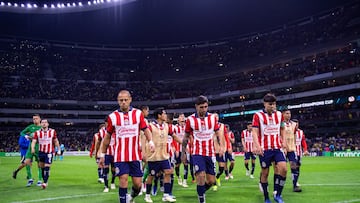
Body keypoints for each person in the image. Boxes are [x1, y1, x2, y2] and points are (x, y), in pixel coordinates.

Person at [99, 90, 155, 203]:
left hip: (135, 155)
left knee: (138, 184)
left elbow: (145, 129)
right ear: (118, 101)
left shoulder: (138, 114)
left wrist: (151, 141)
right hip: (120, 155)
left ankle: (131, 198)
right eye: (121, 100)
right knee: (123, 180)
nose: (123, 102)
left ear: (130, 100)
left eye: (125, 100)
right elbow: (107, 137)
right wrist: (102, 154)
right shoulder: (113, 117)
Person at [181, 95, 224, 203]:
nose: (204, 109)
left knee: (211, 181)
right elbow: (186, 137)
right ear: (196, 107)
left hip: (210, 153)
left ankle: (200, 192)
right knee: (200, 175)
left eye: (205, 107)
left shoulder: (212, 118)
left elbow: (218, 133)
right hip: (197, 152)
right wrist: (183, 153)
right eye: (201, 107)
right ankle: (202, 200)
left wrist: (222, 146)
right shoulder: (190, 120)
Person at [252, 93, 287, 203]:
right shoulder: (257, 116)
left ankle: (278, 195)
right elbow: (254, 132)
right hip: (264, 149)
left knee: (283, 169)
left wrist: (284, 142)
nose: (272, 106)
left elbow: (282, 129)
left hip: (277, 147)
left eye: (274, 104)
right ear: (265, 104)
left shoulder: (279, 115)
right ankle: (267, 198)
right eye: (270, 104)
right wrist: (257, 146)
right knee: (265, 173)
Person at [143, 108, 182, 203]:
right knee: (151, 176)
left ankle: (166, 195)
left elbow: (173, 136)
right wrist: (143, 152)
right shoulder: (151, 126)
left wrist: (183, 143)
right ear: (159, 115)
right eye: (164, 113)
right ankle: (147, 195)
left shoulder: (166, 126)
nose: (166, 115)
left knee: (168, 171)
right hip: (153, 156)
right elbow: (145, 138)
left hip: (164, 155)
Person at [31, 119, 61, 189]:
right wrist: (32, 148)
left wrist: (58, 149)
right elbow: (34, 141)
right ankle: (45, 180)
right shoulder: (37, 132)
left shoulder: (52, 131)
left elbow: (56, 141)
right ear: (41, 124)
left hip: (49, 152)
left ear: (48, 124)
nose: (44, 124)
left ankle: (45, 182)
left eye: (45, 122)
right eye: (42, 122)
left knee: (47, 167)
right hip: (41, 152)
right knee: (42, 168)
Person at [17, 114, 43, 187]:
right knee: (27, 162)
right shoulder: (31, 127)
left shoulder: (42, 127)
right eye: (33, 119)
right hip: (30, 146)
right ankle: (30, 179)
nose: (35, 120)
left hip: (39, 147)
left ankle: (40, 180)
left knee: (39, 164)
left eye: (36, 118)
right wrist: (26, 136)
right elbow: (22, 132)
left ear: (40, 119)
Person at [282, 108, 301, 192]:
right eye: (286, 113)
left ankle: (295, 185)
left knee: (294, 166)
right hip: (282, 149)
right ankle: (279, 187)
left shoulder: (293, 124)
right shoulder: (280, 124)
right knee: (282, 169)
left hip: (292, 149)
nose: (288, 115)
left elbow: (294, 135)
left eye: (289, 113)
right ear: (283, 114)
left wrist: (295, 147)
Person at [96, 121, 117, 192]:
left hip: (114, 154)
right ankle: (106, 186)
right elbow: (98, 142)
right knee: (106, 170)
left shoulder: (116, 130)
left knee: (114, 170)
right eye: (108, 123)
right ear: (105, 123)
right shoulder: (102, 131)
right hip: (106, 154)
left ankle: (113, 182)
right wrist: (97, 152)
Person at [173, 113, 189, 187]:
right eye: (181, 117)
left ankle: (185, 181)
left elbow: (189, 137)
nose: (182, 118)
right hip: (178, 149)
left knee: (185, 163)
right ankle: (179, 177)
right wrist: (175, 149)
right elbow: (174, 139)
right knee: (177, 165)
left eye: (183, 117)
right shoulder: (175, 128)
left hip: (185, 149)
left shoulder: (187, 127)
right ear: (178, 120)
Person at [293, 119, 309, 191]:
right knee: (293, 169)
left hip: (299, 153)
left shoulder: (301, 132)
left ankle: (295, 182)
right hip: (291, 152)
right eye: (295, 124)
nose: (296, 125)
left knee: (297, 169)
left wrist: (305, 150)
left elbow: (303, 142)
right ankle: (294, 184)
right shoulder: (288, 131)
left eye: (297, 124)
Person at [212, 113, 227, 191]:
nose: (216, 118)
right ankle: (214, 184)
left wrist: (224, 148)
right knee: (213, 168)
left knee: (221, 167)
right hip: (212, 150)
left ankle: (217, 177)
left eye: (217, 116)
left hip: (220, 149)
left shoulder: (222, 126)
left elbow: (224, 137)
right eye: (214, 116)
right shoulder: (210, 125)